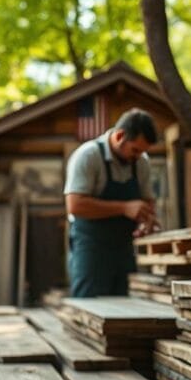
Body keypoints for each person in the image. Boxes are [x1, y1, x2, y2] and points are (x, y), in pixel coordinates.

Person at [64, 108, 158, 297]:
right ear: (120, 135)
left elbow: (147, 201)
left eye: (142, 152)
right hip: (91, 244)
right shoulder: (88, 156)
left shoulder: (141, 162)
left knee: (124, 306)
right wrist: (124, 208)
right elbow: (75, 205)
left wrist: (146, 219)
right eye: (135, 150)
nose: (138, 156)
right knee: (88, 303)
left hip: (123, 246)